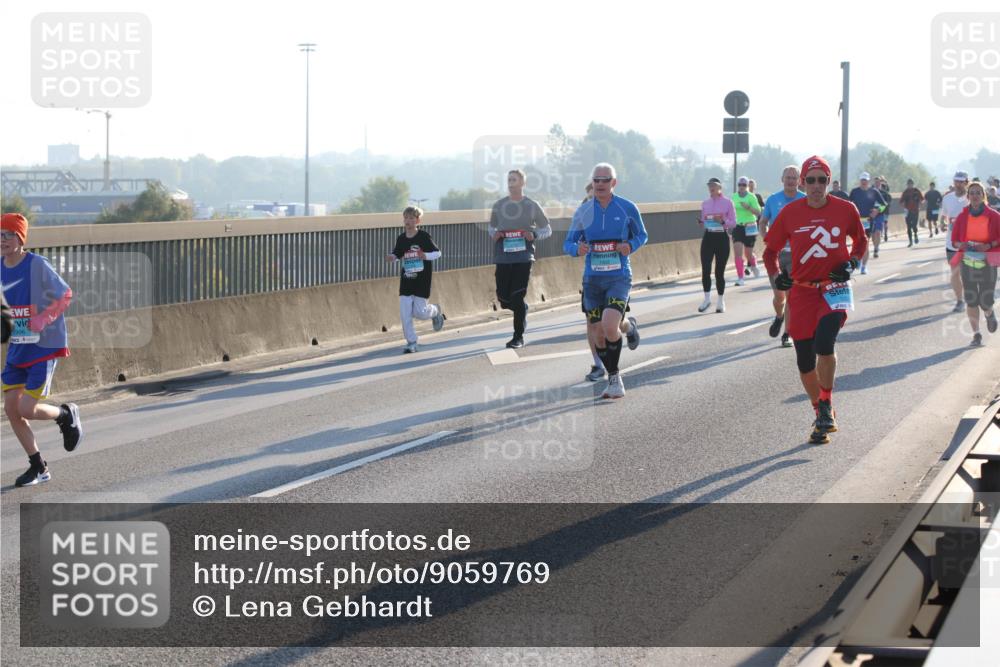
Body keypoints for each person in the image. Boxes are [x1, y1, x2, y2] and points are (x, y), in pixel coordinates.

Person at [763, 156, 867, 445]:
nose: (817, 186)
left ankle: (826, 400)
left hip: (834, 287)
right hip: (802, 289)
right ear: (802, 183)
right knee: (804, 359)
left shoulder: (846, 210)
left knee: (825, 342)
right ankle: (821, 412)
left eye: (822, 180)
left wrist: (852, 263)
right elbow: (769, 253)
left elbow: (860, 241)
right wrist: (778, 280)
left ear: (828, 182)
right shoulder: (790, 213)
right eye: (811, 180)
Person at [1, 212, 84, 487]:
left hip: (44, 346)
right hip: (18, 347)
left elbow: (65, 294)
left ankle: (65, 414)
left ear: (21, 238)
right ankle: (38, 467)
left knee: (25, 408)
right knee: (12, 409)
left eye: (9, 234)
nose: (3, 240)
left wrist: (43, 318)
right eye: (0, 235)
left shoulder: (37, 265)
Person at [565, 163, 648, 399]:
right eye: (596, 180)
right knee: (597, 333)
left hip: (618, 277)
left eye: (605, 180)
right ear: (592, 183)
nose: (600, 184)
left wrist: (629, 246)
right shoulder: (583, 212)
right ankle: (616, 369)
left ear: (614, 182)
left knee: (609, 325)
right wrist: (576, 249)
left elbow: (642, 234)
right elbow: (568, 243)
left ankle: (614, 378)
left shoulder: (627, 207)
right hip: (592, 281)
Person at [489, 169, 552, 349]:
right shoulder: (499, 205)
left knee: (516, 297)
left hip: (523, 257)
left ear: (523, 183)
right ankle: (522, 309)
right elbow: (491, 228)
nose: (511, 183)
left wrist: (533, 235)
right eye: (509, 179)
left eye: (514, 180)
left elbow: (547, 229)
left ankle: (518, 337)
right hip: (502, 257)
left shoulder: (531, 205)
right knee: (503, 299)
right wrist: (496, 234)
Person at [385, 206, 445, 353]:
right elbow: (397, 254)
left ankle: (435, 311)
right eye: (406, 218)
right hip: (406, 281)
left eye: (412, 218)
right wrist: (392, 258)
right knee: (405, 313)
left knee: (420, 312)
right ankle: (411, 342)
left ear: (418, 220)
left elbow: (437, 253)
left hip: (421, 281)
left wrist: (425, 256)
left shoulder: (423, 236)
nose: (408, 221)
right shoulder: (401, 238)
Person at [949, 181, 1000, 346]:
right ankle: (976, 335)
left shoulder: (994, 216)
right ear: (968, 196)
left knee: (985, 299)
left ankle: (989, 312)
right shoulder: (962, 217)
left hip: (988, 262)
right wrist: (961, 245)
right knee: (971, 299)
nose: (975, 195)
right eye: (972, 193)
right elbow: (954, 240)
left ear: (983, 195)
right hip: (968, 261)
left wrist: (989, 245)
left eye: (979, 192)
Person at [760, 166, 806, 348]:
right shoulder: (773, 200)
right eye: (788, 177)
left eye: (794, 178)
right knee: (779, 297)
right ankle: (779, 316)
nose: (791, 181)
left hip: (796, 255)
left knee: (792, 295)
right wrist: (766, 239)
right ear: (782, 179)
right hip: (777, 255)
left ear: (799, 181)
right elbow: (763, 222)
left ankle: (787, 334)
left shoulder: (805, 199)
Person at [697, 177, 737, 313]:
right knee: (705, 269)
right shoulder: (705, 203)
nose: (711, 188)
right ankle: (707, 299)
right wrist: (702, 223)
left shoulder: (728, 203)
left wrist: (722, 220)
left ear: (720, 188)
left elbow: (733, 223)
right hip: (708, 236)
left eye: (713, 186)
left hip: (722, 237)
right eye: (709, 186)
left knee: (719, 272)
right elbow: (704, 220)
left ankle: (720, 301)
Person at [942, 171, 971, 313]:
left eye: (961, 182)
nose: (958, 184)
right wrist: (943, 223)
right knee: (955, 273)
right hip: (952, 243)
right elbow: (944, 215)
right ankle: (960, 300)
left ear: (966, 182)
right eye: (956, 181)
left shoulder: (973, 198)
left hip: (971, 242)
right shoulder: (947, 198)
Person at [848, 172, 887, 272]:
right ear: (860, 181)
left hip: (868, 221)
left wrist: (877, 211)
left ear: (868, 181)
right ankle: (858, 260)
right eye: (862, 180)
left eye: (865, 180)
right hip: (856, 221)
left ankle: (864, 266)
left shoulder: (874, 192)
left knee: (865, 243)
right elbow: (848, 205)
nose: (864, 182)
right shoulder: (854, 192)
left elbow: (884, 204)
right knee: (856, 243)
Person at [731, 176, 762, 286]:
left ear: (748, 186)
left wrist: (748, 207)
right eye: (740, 185)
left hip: (750, 226)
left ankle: (753, 264)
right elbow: (730, 211)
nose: (742, 187)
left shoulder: (751, 197)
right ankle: (740, 278)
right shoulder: (734, 197)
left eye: (744, 185)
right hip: (738, 227)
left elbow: (758, 212)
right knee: (737, 253)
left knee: (748, 253)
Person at [900, 179, 924, 247]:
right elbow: (901, 201)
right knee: (908, 227)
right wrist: (904, 207)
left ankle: (915, 235)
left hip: (915, 211)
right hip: (908, 211)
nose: (910, 185)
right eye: (908, 184)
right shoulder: (905, 192)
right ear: (907, 185)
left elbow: (922, 199)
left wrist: (920, 203)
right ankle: (910, 241)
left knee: (914, 225)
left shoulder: (916, 191)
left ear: (913, 184)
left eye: (911, 184)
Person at [877, 177, 892, 243]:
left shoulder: (879, 192)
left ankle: (882, 234)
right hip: (885, 210)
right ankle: (885, 233)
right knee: (885, 222)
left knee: (882, 223)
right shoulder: (887, 194)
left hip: (881, 210)